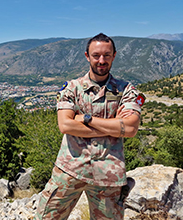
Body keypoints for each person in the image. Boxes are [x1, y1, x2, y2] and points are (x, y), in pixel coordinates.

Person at [34, 33, 145, 220]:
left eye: (106, 55)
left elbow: (131, 128)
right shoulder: (72, 88)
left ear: (114, 56)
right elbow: (65, 125)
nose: (101, 60)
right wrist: (114, 127)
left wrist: (86, 119)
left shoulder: (126, 90)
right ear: (87, 56)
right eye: (96, 55)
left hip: (108, 175)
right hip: (69, 169)